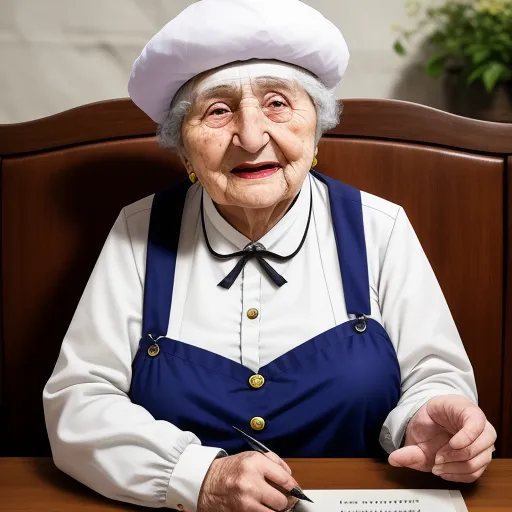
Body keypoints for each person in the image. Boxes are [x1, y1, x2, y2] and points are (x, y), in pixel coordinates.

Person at [43, 0, 497, 511]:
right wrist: (200, 478)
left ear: (316, 127)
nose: (253, 136)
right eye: (217, 111)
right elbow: (78, 404)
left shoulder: (380, 226)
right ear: (183, 149)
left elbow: (433, 376)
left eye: (278, 103)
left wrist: (423, 421)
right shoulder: (137, 229)